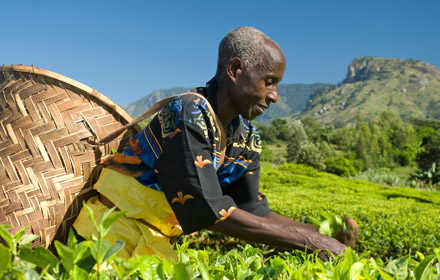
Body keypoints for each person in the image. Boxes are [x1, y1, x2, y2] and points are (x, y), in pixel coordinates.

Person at [72, 26, 353, 262]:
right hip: (102, 240)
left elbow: (252, 208)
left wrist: (319, 235)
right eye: (269, 82)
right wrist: (309, 241)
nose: (275, 96)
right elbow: (207, 208)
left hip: (154, 251)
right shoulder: (188, 113)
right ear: (235, 69)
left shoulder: (247, 138)